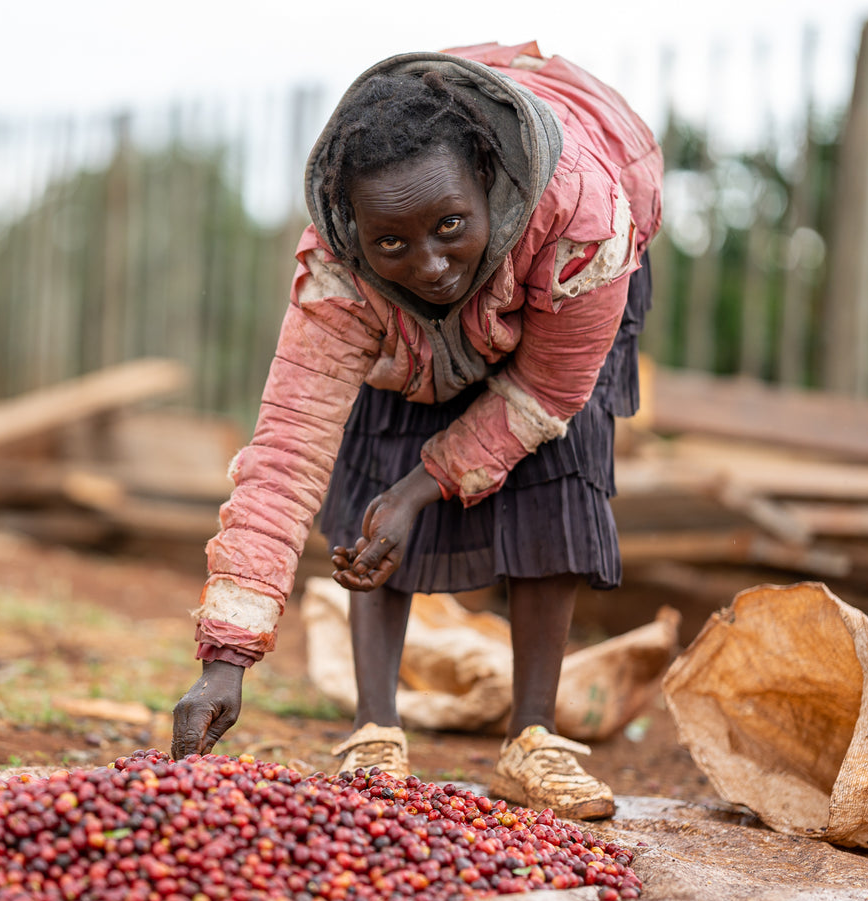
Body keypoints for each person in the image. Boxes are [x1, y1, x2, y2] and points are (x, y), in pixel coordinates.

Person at [170, 42, 662, 820]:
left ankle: (532, 737)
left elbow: (545, 393)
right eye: (391, 242)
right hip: (399, 319)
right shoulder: (339, 276)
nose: (430, 265)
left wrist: (419, 491)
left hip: (555, 289)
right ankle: (374, 729)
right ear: (352, 233)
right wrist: (225, 658)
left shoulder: (583, 228)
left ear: (488, 182)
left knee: (555, 471)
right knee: (379, 446)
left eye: (448, 225)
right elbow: (287, 453)